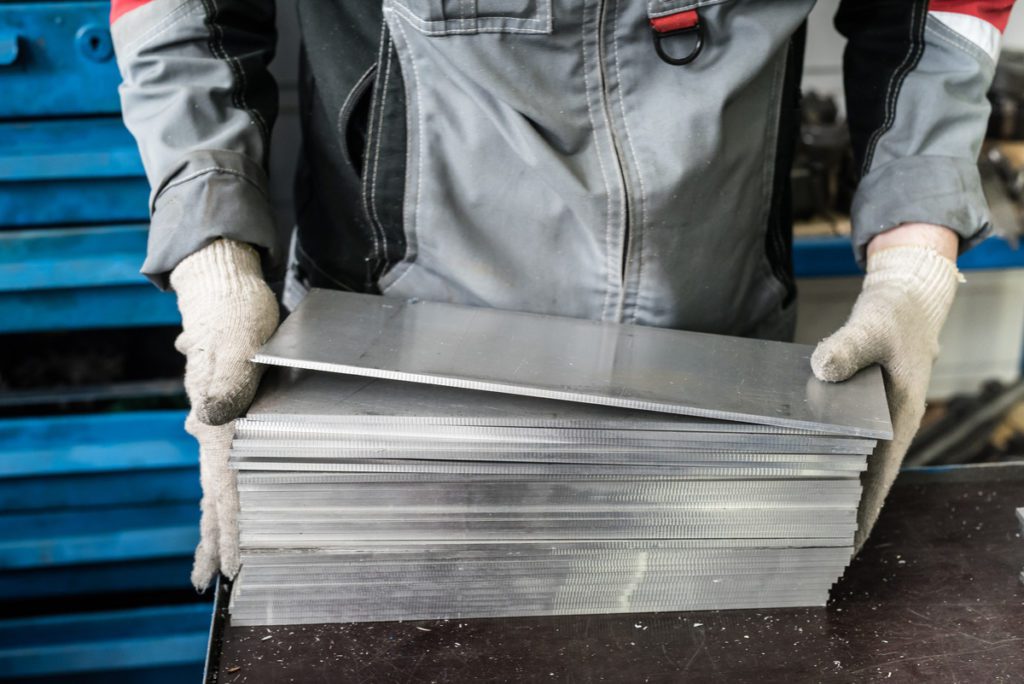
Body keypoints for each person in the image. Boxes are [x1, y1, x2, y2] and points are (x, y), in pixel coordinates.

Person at [110, 0, 1012, 589]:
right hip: (395, 394)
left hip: (721, 380)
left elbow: (934, 12)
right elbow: (185, 16)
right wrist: (217, 269)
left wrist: (914, 263)